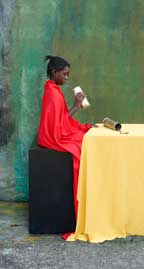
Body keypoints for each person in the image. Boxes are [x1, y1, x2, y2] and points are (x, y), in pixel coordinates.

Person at [36, 55, 96, 240]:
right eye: (65, 74)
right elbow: (58, 126)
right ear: (54, 72)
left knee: (80, 136)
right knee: (78, 146)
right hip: (52, 137)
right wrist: (77, 106)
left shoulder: (52, 89)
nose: (67, 78)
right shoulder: (53, 93)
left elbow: (61, 119)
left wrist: (75, 107)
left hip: (55, 131)